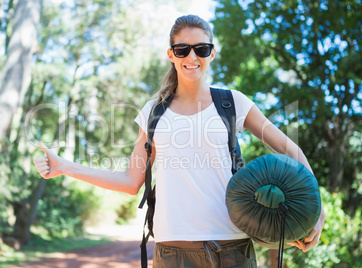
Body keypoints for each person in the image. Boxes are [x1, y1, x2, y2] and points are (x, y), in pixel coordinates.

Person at [33, 14, 325, 268]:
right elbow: (131, 181)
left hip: (233, 246)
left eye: (201, 48)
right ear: (171, 54)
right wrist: (64, 166)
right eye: (182, 49)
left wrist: (317, 211)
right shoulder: (154, 111)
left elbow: (291, 150)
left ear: (212, 53)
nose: (192, 57)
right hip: (173, 251)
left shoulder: (233, 102)